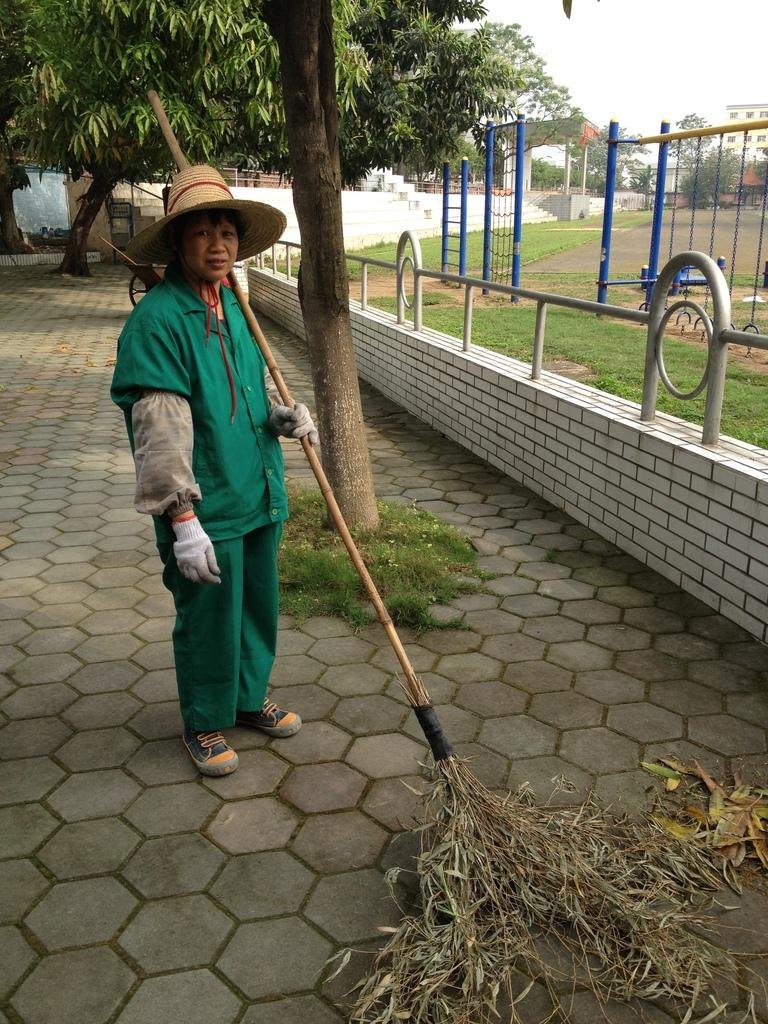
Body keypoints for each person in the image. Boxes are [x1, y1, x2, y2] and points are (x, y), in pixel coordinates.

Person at [111, 164, 318, 777]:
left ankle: (247, 699)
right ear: (179, 242)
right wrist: (182, 520)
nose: (219, 245)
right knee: (208, 619)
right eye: (203, 232)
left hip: (257, 486)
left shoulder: (233, 303)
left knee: (256, 604)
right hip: (207, 503)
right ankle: (203, 719)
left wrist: (279, 417)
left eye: (227, 232)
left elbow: (244, 391)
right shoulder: (159, 321)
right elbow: (159, 428)